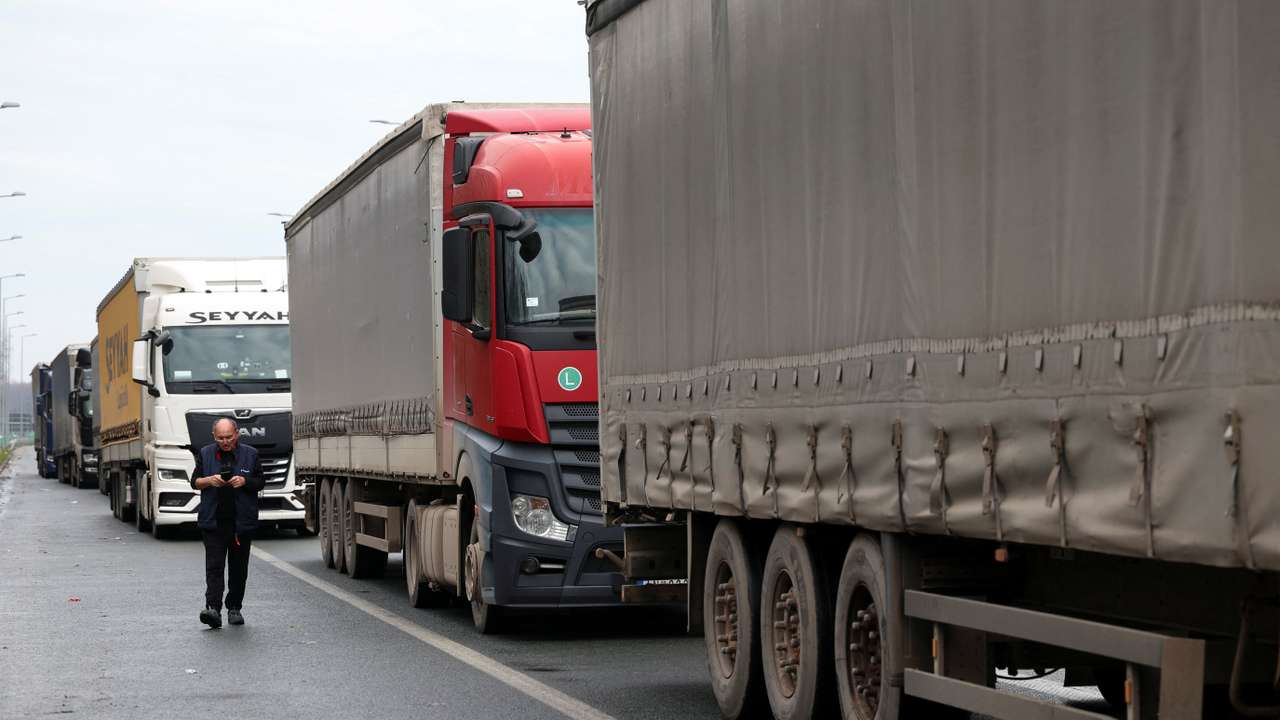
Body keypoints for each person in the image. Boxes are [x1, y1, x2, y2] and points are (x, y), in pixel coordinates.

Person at [190, 418, 264, 628]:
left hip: (241, 523)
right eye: (220, 438)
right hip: (214, 522)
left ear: (237, 434)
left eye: (229, 437)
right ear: (214, 437)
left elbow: (260, 482)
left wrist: (244, 481)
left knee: (238, 569)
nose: (225, 442)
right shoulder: (205, 453)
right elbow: (194, 482)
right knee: (214, 567)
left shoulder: (250, 454)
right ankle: (213, 609)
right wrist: (209, 480)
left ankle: (234, 608)